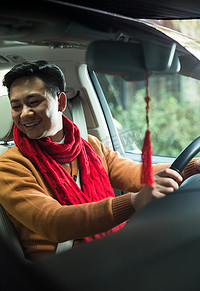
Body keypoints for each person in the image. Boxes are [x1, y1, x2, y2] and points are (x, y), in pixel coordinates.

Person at [0, 60, 199, 262]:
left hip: (111, 248)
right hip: (61, 269)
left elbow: (138, 174)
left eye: (34, 102)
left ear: (60, 102)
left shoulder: (89, 145)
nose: (24, 113)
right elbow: (52, 221)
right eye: (16, 107)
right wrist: (132, 202)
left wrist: (195, 166)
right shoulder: (9, 166)